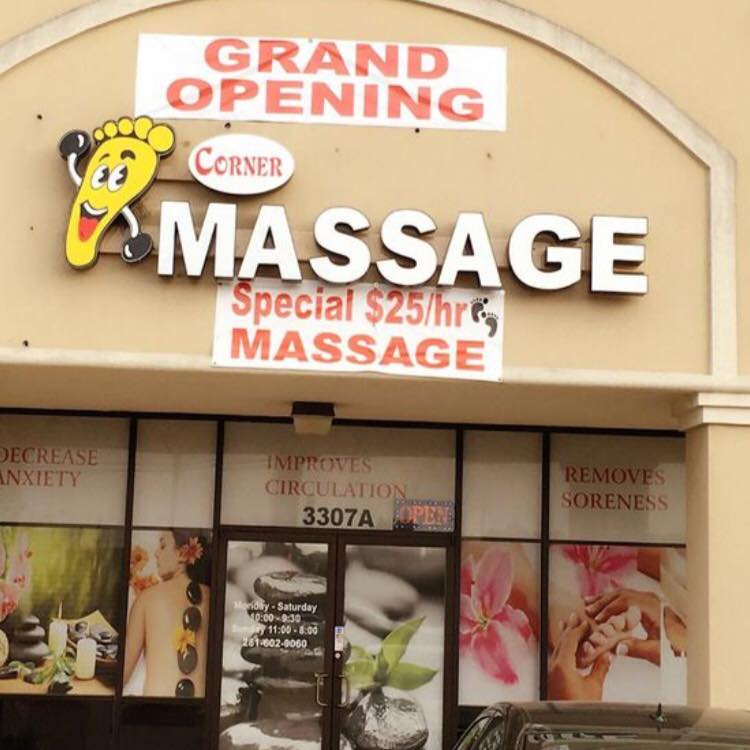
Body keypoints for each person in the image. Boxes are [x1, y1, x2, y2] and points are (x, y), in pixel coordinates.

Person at [123, 530, 210, 697]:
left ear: (182, 555)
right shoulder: (213, 596)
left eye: (163, 546)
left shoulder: (147, 598)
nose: (156, 553)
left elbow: (122, 674)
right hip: (202, 708)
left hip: (157, 707)